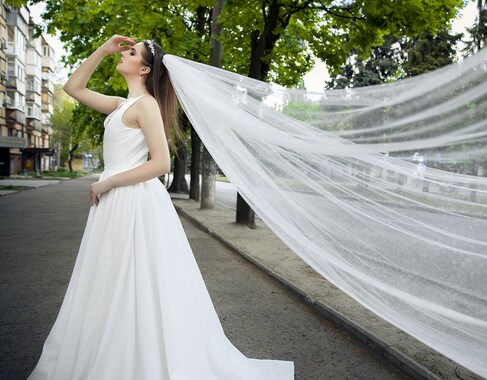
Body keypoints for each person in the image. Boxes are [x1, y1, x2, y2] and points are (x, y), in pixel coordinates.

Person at [28, 35, 294, 379]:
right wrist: (103, 49)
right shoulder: (120, 104)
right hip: (115, 203)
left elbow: (161, 163)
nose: (125, 53)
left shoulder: (147, 106)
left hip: (131, 201)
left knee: (135, 281)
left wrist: (108, 181)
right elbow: (73, 87)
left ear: (144, 69)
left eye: (132, 52)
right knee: (109, 280)